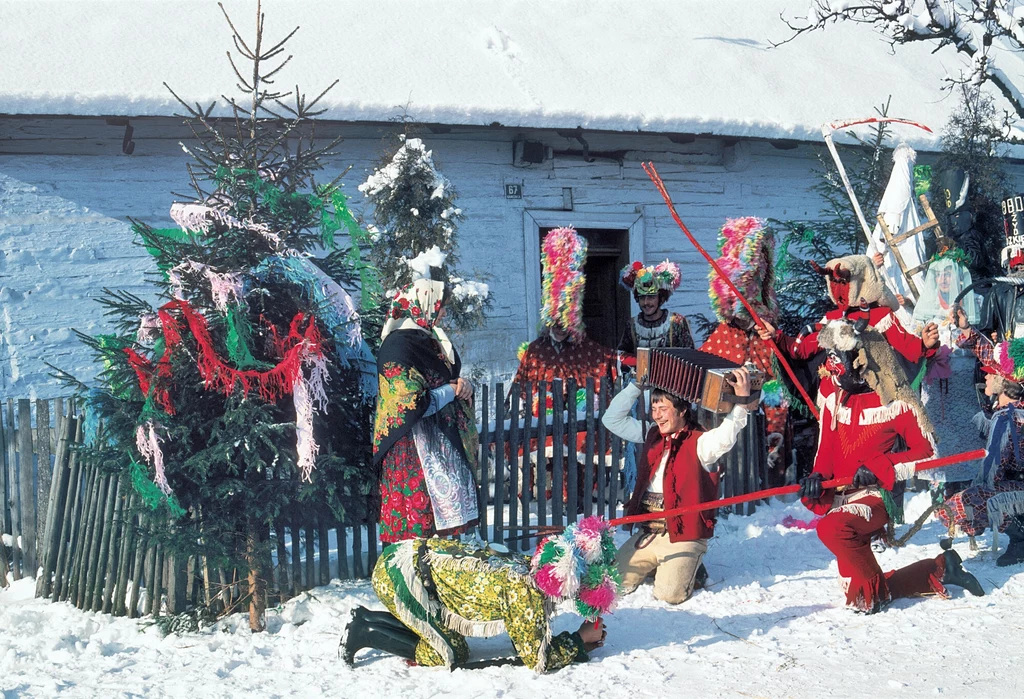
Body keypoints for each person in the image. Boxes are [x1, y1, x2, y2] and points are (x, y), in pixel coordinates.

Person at [792, 314, 985, 613]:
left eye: (838, 361)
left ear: (862, 361)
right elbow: (825, 452)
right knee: (855, 592)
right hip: (840, 496)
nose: (831, 371)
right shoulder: (833, 397)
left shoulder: (896, 402)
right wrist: (816, 477)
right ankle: (940, 567)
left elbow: (927, 450)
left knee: (832, 528)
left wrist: (882, 464)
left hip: (877, 496)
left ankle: (875, 595)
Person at [343, 516, 619, 672]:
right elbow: (537, 660)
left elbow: (523, 632)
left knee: (444, 637)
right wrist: (579, 641)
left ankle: (366, 618)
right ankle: (364, 632)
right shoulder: (527, 592)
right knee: (449, 653)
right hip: (402, 576)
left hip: (411, 562)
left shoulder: (529, 570)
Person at [602, 365, 756, 604]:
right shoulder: (651, 434)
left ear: (683, 410)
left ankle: (692, 566)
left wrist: (742, 402)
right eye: (654, 408)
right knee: (613, 583)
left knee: (669, 595)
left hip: (684, 534)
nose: (657, 415)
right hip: (650, 531)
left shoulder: (701, 443)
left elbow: (726, 436)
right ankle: (662, 563)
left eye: (663, 409)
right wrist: (636, 386)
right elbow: (612, 420)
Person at [372, 278, 479, 545]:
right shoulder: (397, 346)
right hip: (411, 446)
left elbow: (448, 379)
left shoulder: (431, 339)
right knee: (418, 531)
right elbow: (409, 402)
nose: (443, 313)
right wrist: (450, 391)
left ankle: (444, 576)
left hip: (439, 440)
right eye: (441, 307)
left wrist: (462, 385)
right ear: (423, 304)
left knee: (447, 531)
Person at [699, 216, 792, 482]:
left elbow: (779, 375)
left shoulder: (767, 332)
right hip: (727, 416)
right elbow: (706, 365)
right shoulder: (724, 334)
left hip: (764, 410)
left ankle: (770, 477)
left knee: (774, 406)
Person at [935, 307, 1024, 566]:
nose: (985, 374)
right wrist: (966, 329)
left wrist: (968, 510)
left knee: (967, 501)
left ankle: (1020, 541)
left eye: (990, 374)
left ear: (1003, 382)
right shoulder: (1015, 403)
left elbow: (991, 476)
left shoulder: (1008, 420)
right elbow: (996, 359)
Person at [513, 226, 618, 414]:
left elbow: (608, 360)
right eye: (555, 321)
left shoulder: (586, 349)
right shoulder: (535, 350)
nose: (560, 327)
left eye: (565, 321)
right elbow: (520, 392)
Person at [617, 259, 693, 354]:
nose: (646, 302)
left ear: (661, 299)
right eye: (642, 298)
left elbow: (690, 356)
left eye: (651, 297)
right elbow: (622, 356)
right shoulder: (632, 325)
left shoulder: (677, 322)